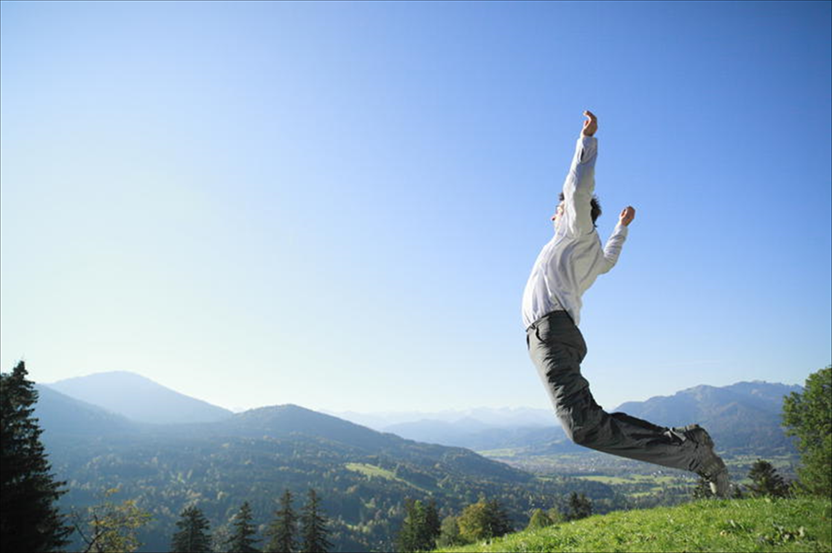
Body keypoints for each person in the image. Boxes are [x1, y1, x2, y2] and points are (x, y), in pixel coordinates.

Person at [521, 111, 730, 497]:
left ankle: (691, 452)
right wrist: (622, 228)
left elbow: (577, 188)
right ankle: (690, 446)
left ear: (566, 210)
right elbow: (609, 261)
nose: (553, 213)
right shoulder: (585, 249)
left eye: (558, 207)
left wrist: (586, 141)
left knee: (582, 425)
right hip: (553, 333)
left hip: (551, 331)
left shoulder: (572, 230)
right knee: (583, 422)